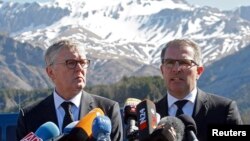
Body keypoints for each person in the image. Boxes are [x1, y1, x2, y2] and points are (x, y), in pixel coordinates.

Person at [16, 39, 123, 140]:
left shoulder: (107, 110)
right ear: (51, 72)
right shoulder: (29, 116)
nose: (80, 68)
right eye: (71, 63)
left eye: (83, 62)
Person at [155, 39, 242, 141]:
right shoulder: (149, 115)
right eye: (169, 62)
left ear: (199, 71)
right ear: (162, 70)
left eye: (184, 62)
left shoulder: (223, 110)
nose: (176, 69)